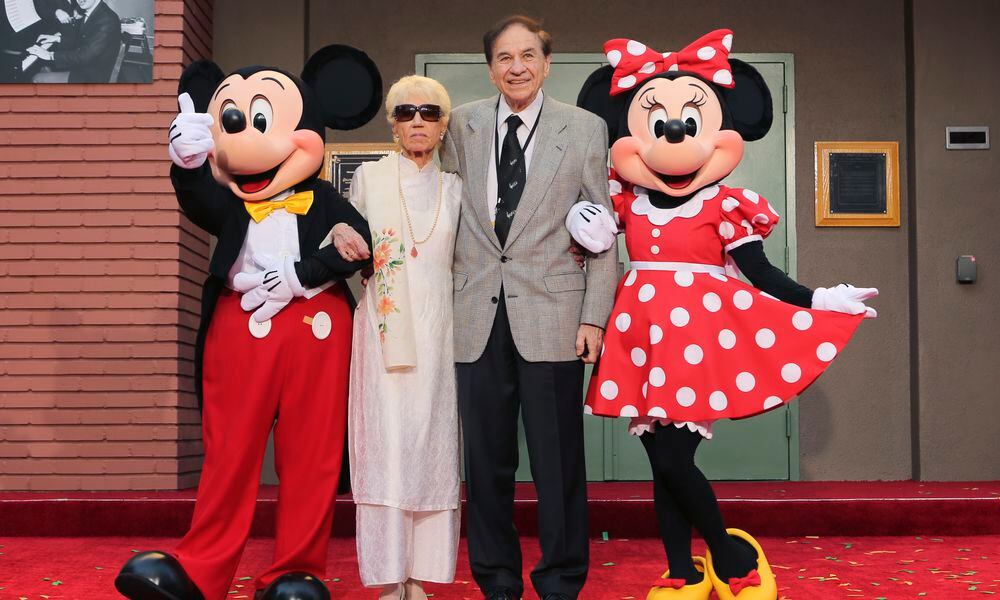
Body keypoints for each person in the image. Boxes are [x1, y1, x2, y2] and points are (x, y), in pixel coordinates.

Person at [569, 30, 878, 600]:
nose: (673, 134)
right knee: (660, 459)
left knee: (671, 455)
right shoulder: (624, 202)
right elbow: (590, 254)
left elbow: (763, 275)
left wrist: (821, 299)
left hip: (696, 343)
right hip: (640, 338)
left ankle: (731, 557)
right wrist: (581, 234)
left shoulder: (724, 203)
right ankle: (682, 572)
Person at [439, 15, 618, 600]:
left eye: (527, 56)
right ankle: (496, 579)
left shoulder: (585, 127)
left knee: (556, 461)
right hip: (476, 317)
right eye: (503, 57)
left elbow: (605, 232)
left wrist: (594, 316)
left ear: (546, 62)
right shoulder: (459, 126)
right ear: (490, 66)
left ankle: (562, 579)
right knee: (486, 463)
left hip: (555, 317)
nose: (515, 67)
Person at [347, 75, 462, 600]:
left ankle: (422, 576)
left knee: (430, 443)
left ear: (442, 125)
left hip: (441, 331)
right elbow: (342, 240)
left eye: (430, 112)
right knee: (387, 446)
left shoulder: (457, 188)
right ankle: (390, 576)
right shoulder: (368, 179)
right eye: (407, 112)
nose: (418, 121)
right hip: (383, 331)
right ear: (392, 123)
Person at [28, 0, 120, 83]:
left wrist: (50, 55)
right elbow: (83, 42)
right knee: (44, 68)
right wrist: (57, 39)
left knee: (37, 78)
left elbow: (84, 55)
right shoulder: (94, 12)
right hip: (87, 67)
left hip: (91, 77)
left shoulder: (107, 20)